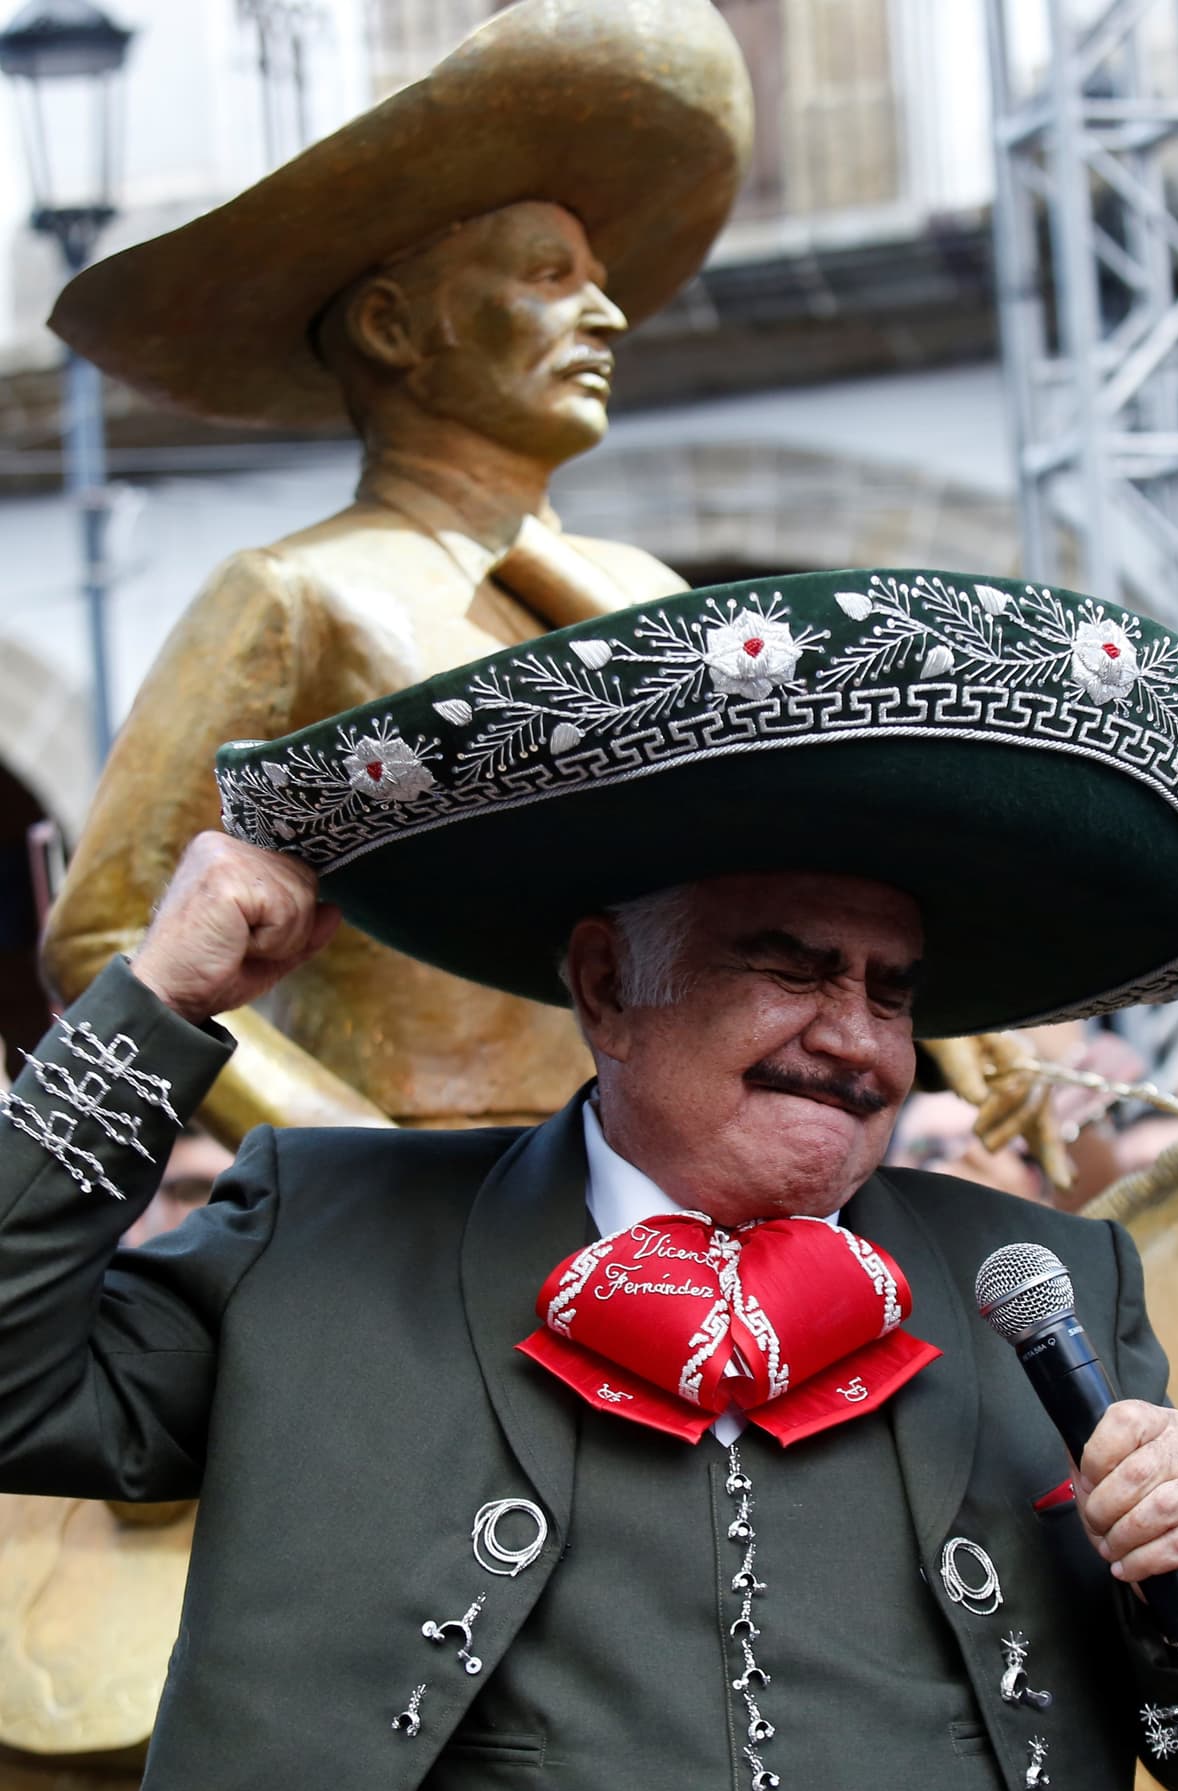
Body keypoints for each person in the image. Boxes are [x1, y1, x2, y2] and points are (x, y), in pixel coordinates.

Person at [2, 566, 1178, 1791]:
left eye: (892, 993)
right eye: (791, 969)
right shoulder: (323, 1243)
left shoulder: (1048, 1286)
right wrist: (156, 1000)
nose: (855, 1039)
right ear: (610, 985)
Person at [38, 0, 751, 1141]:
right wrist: (345, 1167)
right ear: (390, 326)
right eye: (546, 274)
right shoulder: (297, 590)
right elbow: (105, 932)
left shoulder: (645, 591)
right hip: (427, 1181)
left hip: (656, 1179)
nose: (606, 313)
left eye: (598, 278)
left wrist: (963, 1038)